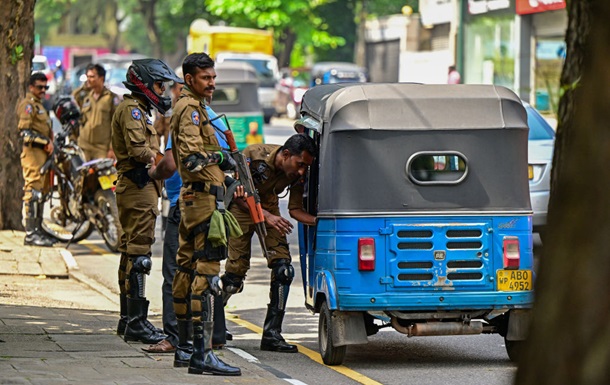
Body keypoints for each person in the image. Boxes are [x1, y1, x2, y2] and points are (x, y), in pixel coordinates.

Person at [142, 85, 232, 359]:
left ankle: (180, 341)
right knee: (205, 269)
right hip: (213, 200)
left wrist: (151, 173)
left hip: (191, 202)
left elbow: (172, 163)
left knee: (182, 271)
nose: (213, 83)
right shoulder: (210, 115)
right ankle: (206, 341)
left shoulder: (187, 111)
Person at [169, 52, 241, 376]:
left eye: (213, 77)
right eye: (206, 78)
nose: (212, 83)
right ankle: (202, 353)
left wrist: (224, 176)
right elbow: (193, 159)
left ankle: (185, 349)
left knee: (185, 269)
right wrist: (222, 160)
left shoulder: (194, 108)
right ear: (189, 79)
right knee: (208, 275)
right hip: (203, 205)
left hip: (197, 200)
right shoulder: (190, 111)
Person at [221, 133, 317, 353]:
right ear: (285, 155)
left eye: (305, 167)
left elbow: (294, 210)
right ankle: (215, 319)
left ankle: (272, 334)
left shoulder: (297, 174)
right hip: (243, 209)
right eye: (300, 164)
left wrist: (319, 222)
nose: (302, 171)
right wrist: (267, 216)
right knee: (233, 278)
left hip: (270, 210)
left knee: (284, 271)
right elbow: (239, 195)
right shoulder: (253, 156)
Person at [111, 58, 182, 345]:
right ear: (143, 83)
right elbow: (139, 149)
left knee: (131, 253)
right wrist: (160, 163)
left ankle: (129, 319)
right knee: (139, 256)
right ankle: (137, 323)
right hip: (139, 186)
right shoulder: (132, 111)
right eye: (158, 84)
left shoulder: (139, 110)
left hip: (141, 186)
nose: (161, 90)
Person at [17, 72, 57, 247]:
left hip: (43, 155)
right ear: (31, 86)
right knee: (33, 192)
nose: (43, 90)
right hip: (33, 154)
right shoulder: (28, 105)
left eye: (45, 87)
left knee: (41, 193)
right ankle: (31, 233)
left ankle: (38, 229)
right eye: (39, 87)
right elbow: (24, 133)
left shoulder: (40, 105)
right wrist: (45, 142)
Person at [78, 64, 119, 160]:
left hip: (101, 148)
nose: (88, 79)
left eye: (92, 77)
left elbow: (117, 126)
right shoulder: (86, 97)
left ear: (101, 78)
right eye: (87, 77)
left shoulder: (111, 98)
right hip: (84, 147)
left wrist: (112, 149)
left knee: (103, 175)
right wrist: (84, 87)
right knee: (84, 174)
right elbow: (73, 97)